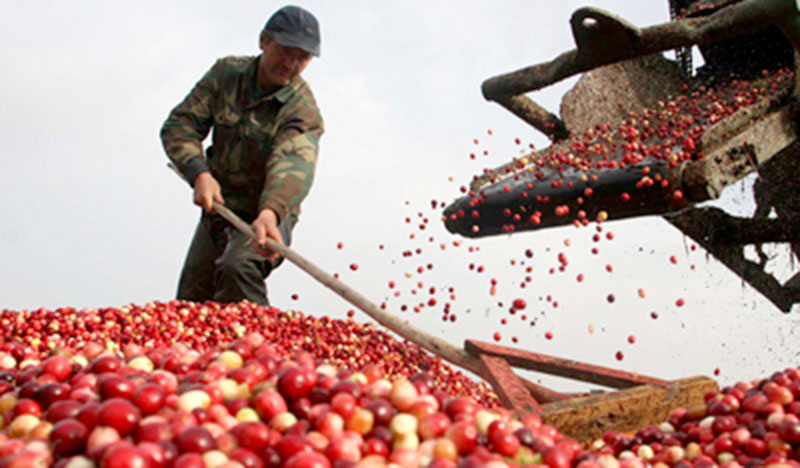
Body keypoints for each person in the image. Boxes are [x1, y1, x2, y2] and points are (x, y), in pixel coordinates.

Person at [160, 5, 324, 305]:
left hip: (269, 213)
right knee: (192, 302)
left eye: (302, 57)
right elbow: (180, 126)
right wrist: (199, 173)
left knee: (239, 266)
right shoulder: (226, 75)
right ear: (264, 41)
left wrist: (271, 212)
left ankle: (262, 337)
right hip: (220, 209)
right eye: (285, 51)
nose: (290, 64)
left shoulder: (301, 109)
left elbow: (294, 165)